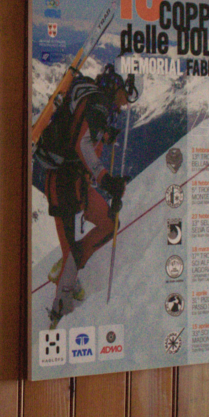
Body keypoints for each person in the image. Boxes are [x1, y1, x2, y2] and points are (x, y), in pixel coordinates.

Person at [46, 63, 137, 326]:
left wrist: (105, 136)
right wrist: (106, 180)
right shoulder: (99, 103)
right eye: (126, 95)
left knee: (109, 224)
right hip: (64, 183)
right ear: (117, 87)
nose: (125, 103)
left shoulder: (94, 98)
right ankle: (58, 315)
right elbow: (82, 144)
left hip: (75, 183)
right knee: (73, 254)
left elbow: (81, 131)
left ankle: (70, 268)